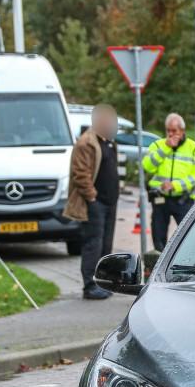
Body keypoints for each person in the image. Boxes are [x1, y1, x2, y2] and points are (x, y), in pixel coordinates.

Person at [62, 104, 118, 300]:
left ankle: (102, 282)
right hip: (96, 203)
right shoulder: (87, 142)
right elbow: (80, 174)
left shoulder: (108, 141)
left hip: (110, 202)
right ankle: (89, 285)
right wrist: (92, 197)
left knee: (106, 244)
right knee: (93, 244)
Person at [143, 113, 195, 251]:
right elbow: (147, 166)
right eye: (168, 131)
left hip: (183, 199)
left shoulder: (193, 148)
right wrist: (166, 148)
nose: (171, 134)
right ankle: (157, 265)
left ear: (182, 131)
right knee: (158, 237)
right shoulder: (157, 145)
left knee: (188, 237)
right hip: (160, 199)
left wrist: (175, 186)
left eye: (174, 131)